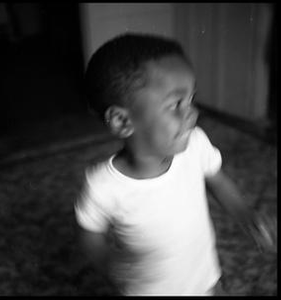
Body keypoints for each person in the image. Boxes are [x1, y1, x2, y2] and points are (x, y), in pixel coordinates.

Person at [74, 33, 276, 296]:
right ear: (123, 121)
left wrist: (244, 214)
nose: (192, 112)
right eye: (176, 104)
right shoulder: (104, 186)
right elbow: (90, 234)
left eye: (192, 99)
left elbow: (217, 179)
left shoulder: (196, 145)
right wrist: (109, 261)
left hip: (204, 276)